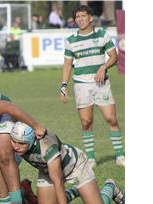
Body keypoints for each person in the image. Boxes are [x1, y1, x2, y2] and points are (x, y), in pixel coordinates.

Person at [8, 122, 124, 204]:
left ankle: (111, 187)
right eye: (14, 141)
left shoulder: (47, 147)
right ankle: (76, 191)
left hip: (75, 166)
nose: (16, 146)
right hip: (47, 169)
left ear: (31, 140)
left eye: (22, 143)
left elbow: (57, 181)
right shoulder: (13, 144)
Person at [60, 5, 124, 167]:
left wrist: (103, 67)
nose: (80, 19)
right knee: (86, 122)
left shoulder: (102, 35)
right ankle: (91, 158)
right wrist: (63, 85)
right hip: (81, 86)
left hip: (101, 84)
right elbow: (67, 65)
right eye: (77, 17)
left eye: (83, 16)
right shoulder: (71, 41)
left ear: (90, 18)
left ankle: (120, 156)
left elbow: (114, 56)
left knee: (111, 118)